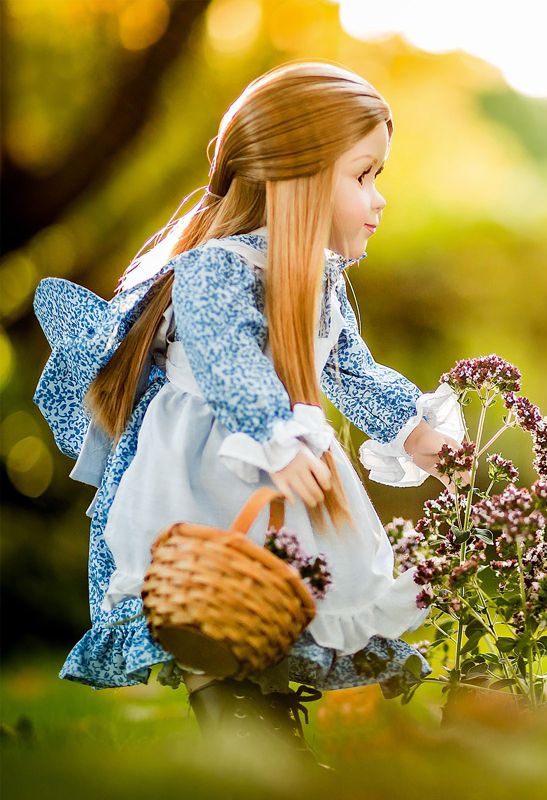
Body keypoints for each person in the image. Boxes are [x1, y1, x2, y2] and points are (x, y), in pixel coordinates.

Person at [31, 61, 468, 753]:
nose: (378, 198)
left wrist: (419, 434)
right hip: (207, 469)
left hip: (283, 466)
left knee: (290, 601)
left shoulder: (321, 285)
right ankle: (239, 725)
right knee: (216, 610)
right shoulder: (217, 268)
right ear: (297, 174)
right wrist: (275, 432)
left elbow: (354, 373)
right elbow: (222, 355)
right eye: (363, 175)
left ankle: (276, 729)